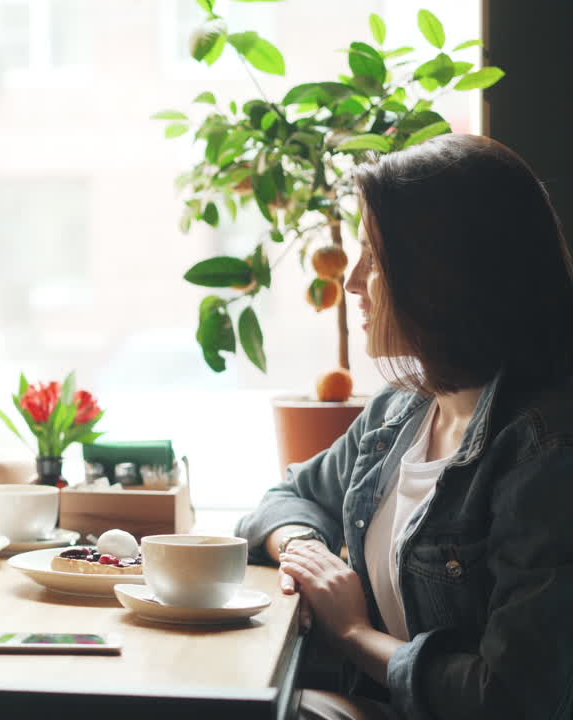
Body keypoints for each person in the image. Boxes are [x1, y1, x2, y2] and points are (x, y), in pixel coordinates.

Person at [236, 133, 573, 720]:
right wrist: (306, 550)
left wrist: (354, 635)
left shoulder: (545, 454)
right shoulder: (401, 409)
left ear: (440, 275)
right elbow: (285, 496)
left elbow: (509, 699)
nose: (353, 281)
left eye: (375, 255)